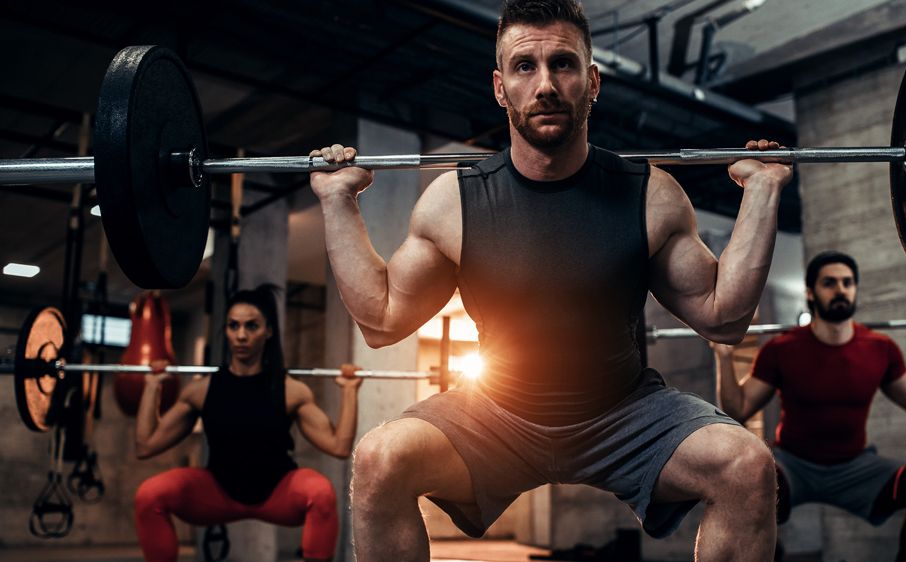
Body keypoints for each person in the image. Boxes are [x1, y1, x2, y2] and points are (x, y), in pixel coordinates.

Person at [310, 1, 793, 560]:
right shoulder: (454, 202)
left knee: (747, 466)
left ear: (591, 82)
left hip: (625, 412)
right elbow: (383, 319)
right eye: (524, 67)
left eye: (562, 64)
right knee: (379, 461)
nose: (545, 85)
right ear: (499, 87)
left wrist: (762, 193)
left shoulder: (650, 194)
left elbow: (724, 317)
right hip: (493, 414)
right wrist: (337, 202)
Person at [713, 251, 906, 561]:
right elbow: (737, 409)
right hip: (792, 465)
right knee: (745, 483)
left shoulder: (881, 348)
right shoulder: (782, 349)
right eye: (830, 283)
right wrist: (724, 357)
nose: (840, 290)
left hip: (856, 468)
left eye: (847, 283)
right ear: (811, 293)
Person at [132, 285, 362, 562]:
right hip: (216, 492)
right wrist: (152, 388)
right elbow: (146, 446)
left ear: (268, 331)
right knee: (149, 495)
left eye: (252, 326)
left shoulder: (291, 390)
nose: (241, 335)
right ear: (226, 330)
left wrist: (349, 392)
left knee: (321, 493)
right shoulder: (201, 390)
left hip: (278, 492)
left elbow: (338, 446)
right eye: (234, 326)